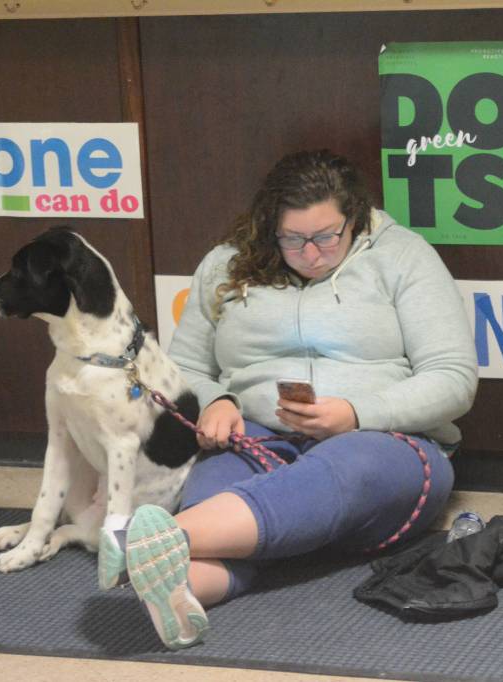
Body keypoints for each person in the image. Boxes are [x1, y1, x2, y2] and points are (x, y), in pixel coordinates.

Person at [100, 149, 478, 650]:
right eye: (293, 239)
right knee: (216, 498)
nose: (311, 253)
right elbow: (185, 366)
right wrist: (216, 400)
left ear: (355, 218)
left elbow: (453, 379)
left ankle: (149, 541)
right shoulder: (225, 264)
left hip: (382, 440)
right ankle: (181, 593)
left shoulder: (403, 256)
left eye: (326, 237)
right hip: (258, 432)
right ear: (269, 227)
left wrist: (357, 414)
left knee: (345, 470)